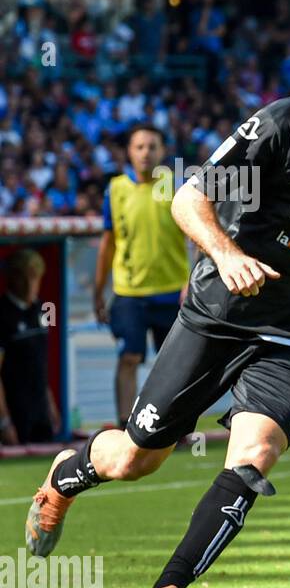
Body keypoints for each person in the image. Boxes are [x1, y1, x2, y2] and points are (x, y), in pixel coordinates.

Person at [23, 0, 290, 588]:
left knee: (257, 450)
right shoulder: (283, 126)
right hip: (221, 314)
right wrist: (229, 255)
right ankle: (62, 480)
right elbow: (190, 198)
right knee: (138, 456)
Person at [94, 123, 189, 427]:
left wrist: (191, 282)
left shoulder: (174, 185)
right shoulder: (116, 189)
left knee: (174, 366)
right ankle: (125, 424)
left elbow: (197, 237)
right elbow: (108, 243)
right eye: (139, 147)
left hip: (172, 291)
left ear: (162, 151)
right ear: (129, 152)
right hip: (129, 292)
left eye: (152, 146)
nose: (146, 153)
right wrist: (99, 291)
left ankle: (171, 426)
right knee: (129, 357)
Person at [0, 249, 59, 444]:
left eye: (34, 277)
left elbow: (40, 363)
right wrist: (4, 421)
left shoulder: (43, 308)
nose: (30, 284)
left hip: (41, 411)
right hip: (15, 411)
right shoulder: (3, 313)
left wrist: (50, 405)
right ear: (12, 278)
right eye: (24, 277)